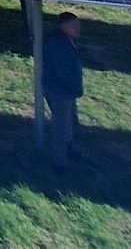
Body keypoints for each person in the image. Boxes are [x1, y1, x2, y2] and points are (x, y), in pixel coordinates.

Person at [40, 12, 85, 169]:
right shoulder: (58, 45)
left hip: (68, 91)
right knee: (62, 126)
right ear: (64, 26)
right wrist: (73, 86)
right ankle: (60, 163)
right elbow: (62, 72)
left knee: (71, 122)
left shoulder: (66, 41)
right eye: (74, 25)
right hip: (59, 91)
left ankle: (70, 148)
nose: (78, 28)